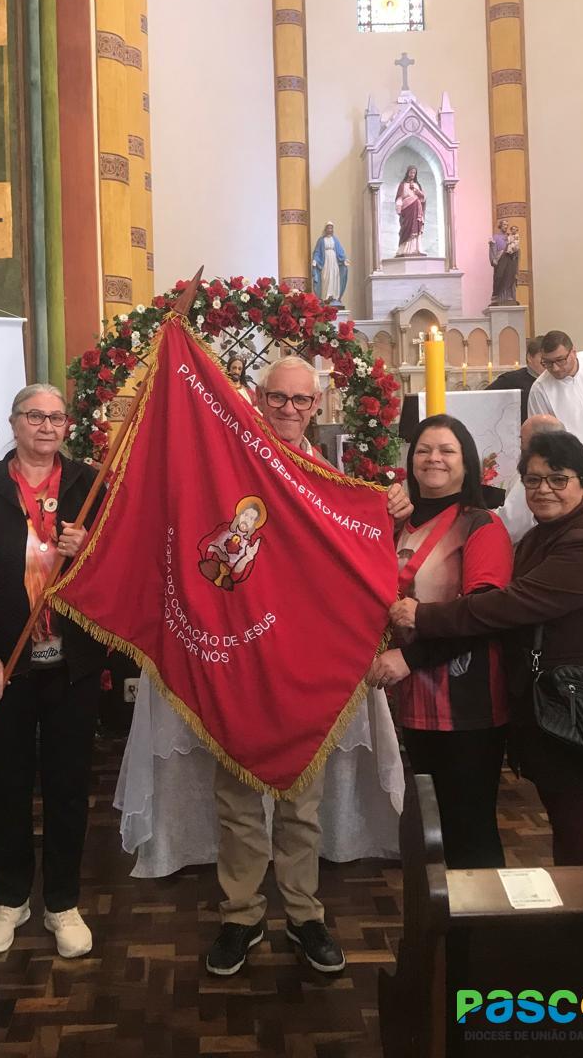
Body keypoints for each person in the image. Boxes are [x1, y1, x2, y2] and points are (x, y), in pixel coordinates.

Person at [206, 355, 410, 978]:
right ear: (258, 398)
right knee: (238, 797)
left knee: (301, 800)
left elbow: (357, 570)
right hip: (241, 661)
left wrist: (389, 512)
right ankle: (240, 915)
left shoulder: (335, 485)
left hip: (309, 669)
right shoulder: (232, 467)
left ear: (317, 408)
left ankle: (302, 912)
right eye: (278, 398)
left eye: (301, 400)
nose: (289, 409)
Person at [389, 431, 583, 866]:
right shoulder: (546, 536)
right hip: (553, 708)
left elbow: (506, 606)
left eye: (557, 480)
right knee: (569, 835)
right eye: (533, 481)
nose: (543, 490)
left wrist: (421, 616)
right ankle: (578, 926)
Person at [0, 383, 105, 959]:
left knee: (66, 787)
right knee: (6, 785)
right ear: (13, 423)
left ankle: (62, 901)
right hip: (2, 670)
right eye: (35, 415)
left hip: (72, 666)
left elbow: (122, 567)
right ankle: (11, 897)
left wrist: (90, 551)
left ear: (67, 427)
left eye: (57, 417)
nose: (46, 426)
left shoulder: (90, 486)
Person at [365, 416, 513, 868]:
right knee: (432, 826)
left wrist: (411, 656)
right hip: (412, 700)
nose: (434, 459)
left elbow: (484, 614)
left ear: (467, 463)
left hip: (467, 703)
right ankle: (441, 927)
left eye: (447, 450)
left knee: (470, 828)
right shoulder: (397, 527)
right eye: (425, 449)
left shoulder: (481, 525)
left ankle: (482, 935)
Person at [498, 413, 564, 545]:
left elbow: (511, 525)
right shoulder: (566, 466)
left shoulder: (535, 474)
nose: (521, 447)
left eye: (522, 440)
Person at [487, 336, 544, 422]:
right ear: (529, 357)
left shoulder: (556, 380)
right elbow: (484, 399)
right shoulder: (509, 380)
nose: (548, 363)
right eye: (543, 358)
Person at [311, 222, 349, 304]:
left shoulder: (335, 239)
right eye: (328, 228)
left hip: (334, 260)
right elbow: (317, 252)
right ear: (325, 229)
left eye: (331, 228)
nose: (330, 230)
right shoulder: (321, 240)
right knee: (326, 277)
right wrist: (315, 260)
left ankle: (334, 296)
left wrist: (344, 260)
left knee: (334, 276)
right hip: (325, 261)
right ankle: (325, 297)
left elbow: (340, 251)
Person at [395, 166, 426, 256]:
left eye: (414, 173)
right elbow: (399, 197)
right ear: (408, 173)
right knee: (406, 227)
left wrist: (417, 191)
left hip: (417, 209)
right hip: (407, 209)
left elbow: (423, 198)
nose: (412, 174)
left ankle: (417, 248)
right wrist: (399, 207)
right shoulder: (403, 184)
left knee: (416, 227)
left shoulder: (417, 185)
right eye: (411, 172)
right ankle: (404, 249)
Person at [488, 222, 519, 307]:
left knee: (510, 276)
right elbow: (492, 248)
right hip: (500, 259)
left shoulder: (511, 236)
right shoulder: (496, 237)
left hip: (510, 259)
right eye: (504, 225)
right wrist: (493, 259)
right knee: (499, 276)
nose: (506, 226)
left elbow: (516, 247)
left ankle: (509, 297)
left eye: (507, 225)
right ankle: (497, 297)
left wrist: (515, 252)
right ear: (500, 226)